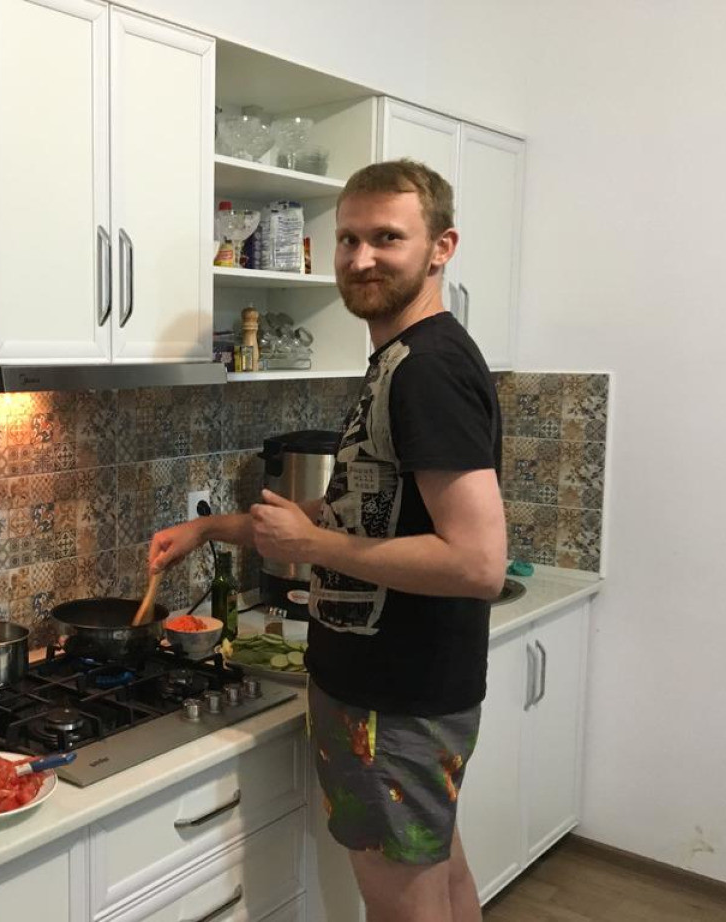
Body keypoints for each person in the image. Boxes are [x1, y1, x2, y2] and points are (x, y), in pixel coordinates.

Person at [149, 159, 505, 922]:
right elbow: (354, 516)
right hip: (402, 692)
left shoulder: (426, 371)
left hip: (392, 701)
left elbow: (477, 564)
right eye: (347, 239)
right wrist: (210, 528)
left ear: (440, 248)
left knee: (405, 907)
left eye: (387, 238)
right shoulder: (401, 360)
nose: (361, 257)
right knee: (441, 881)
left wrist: (313, 549)